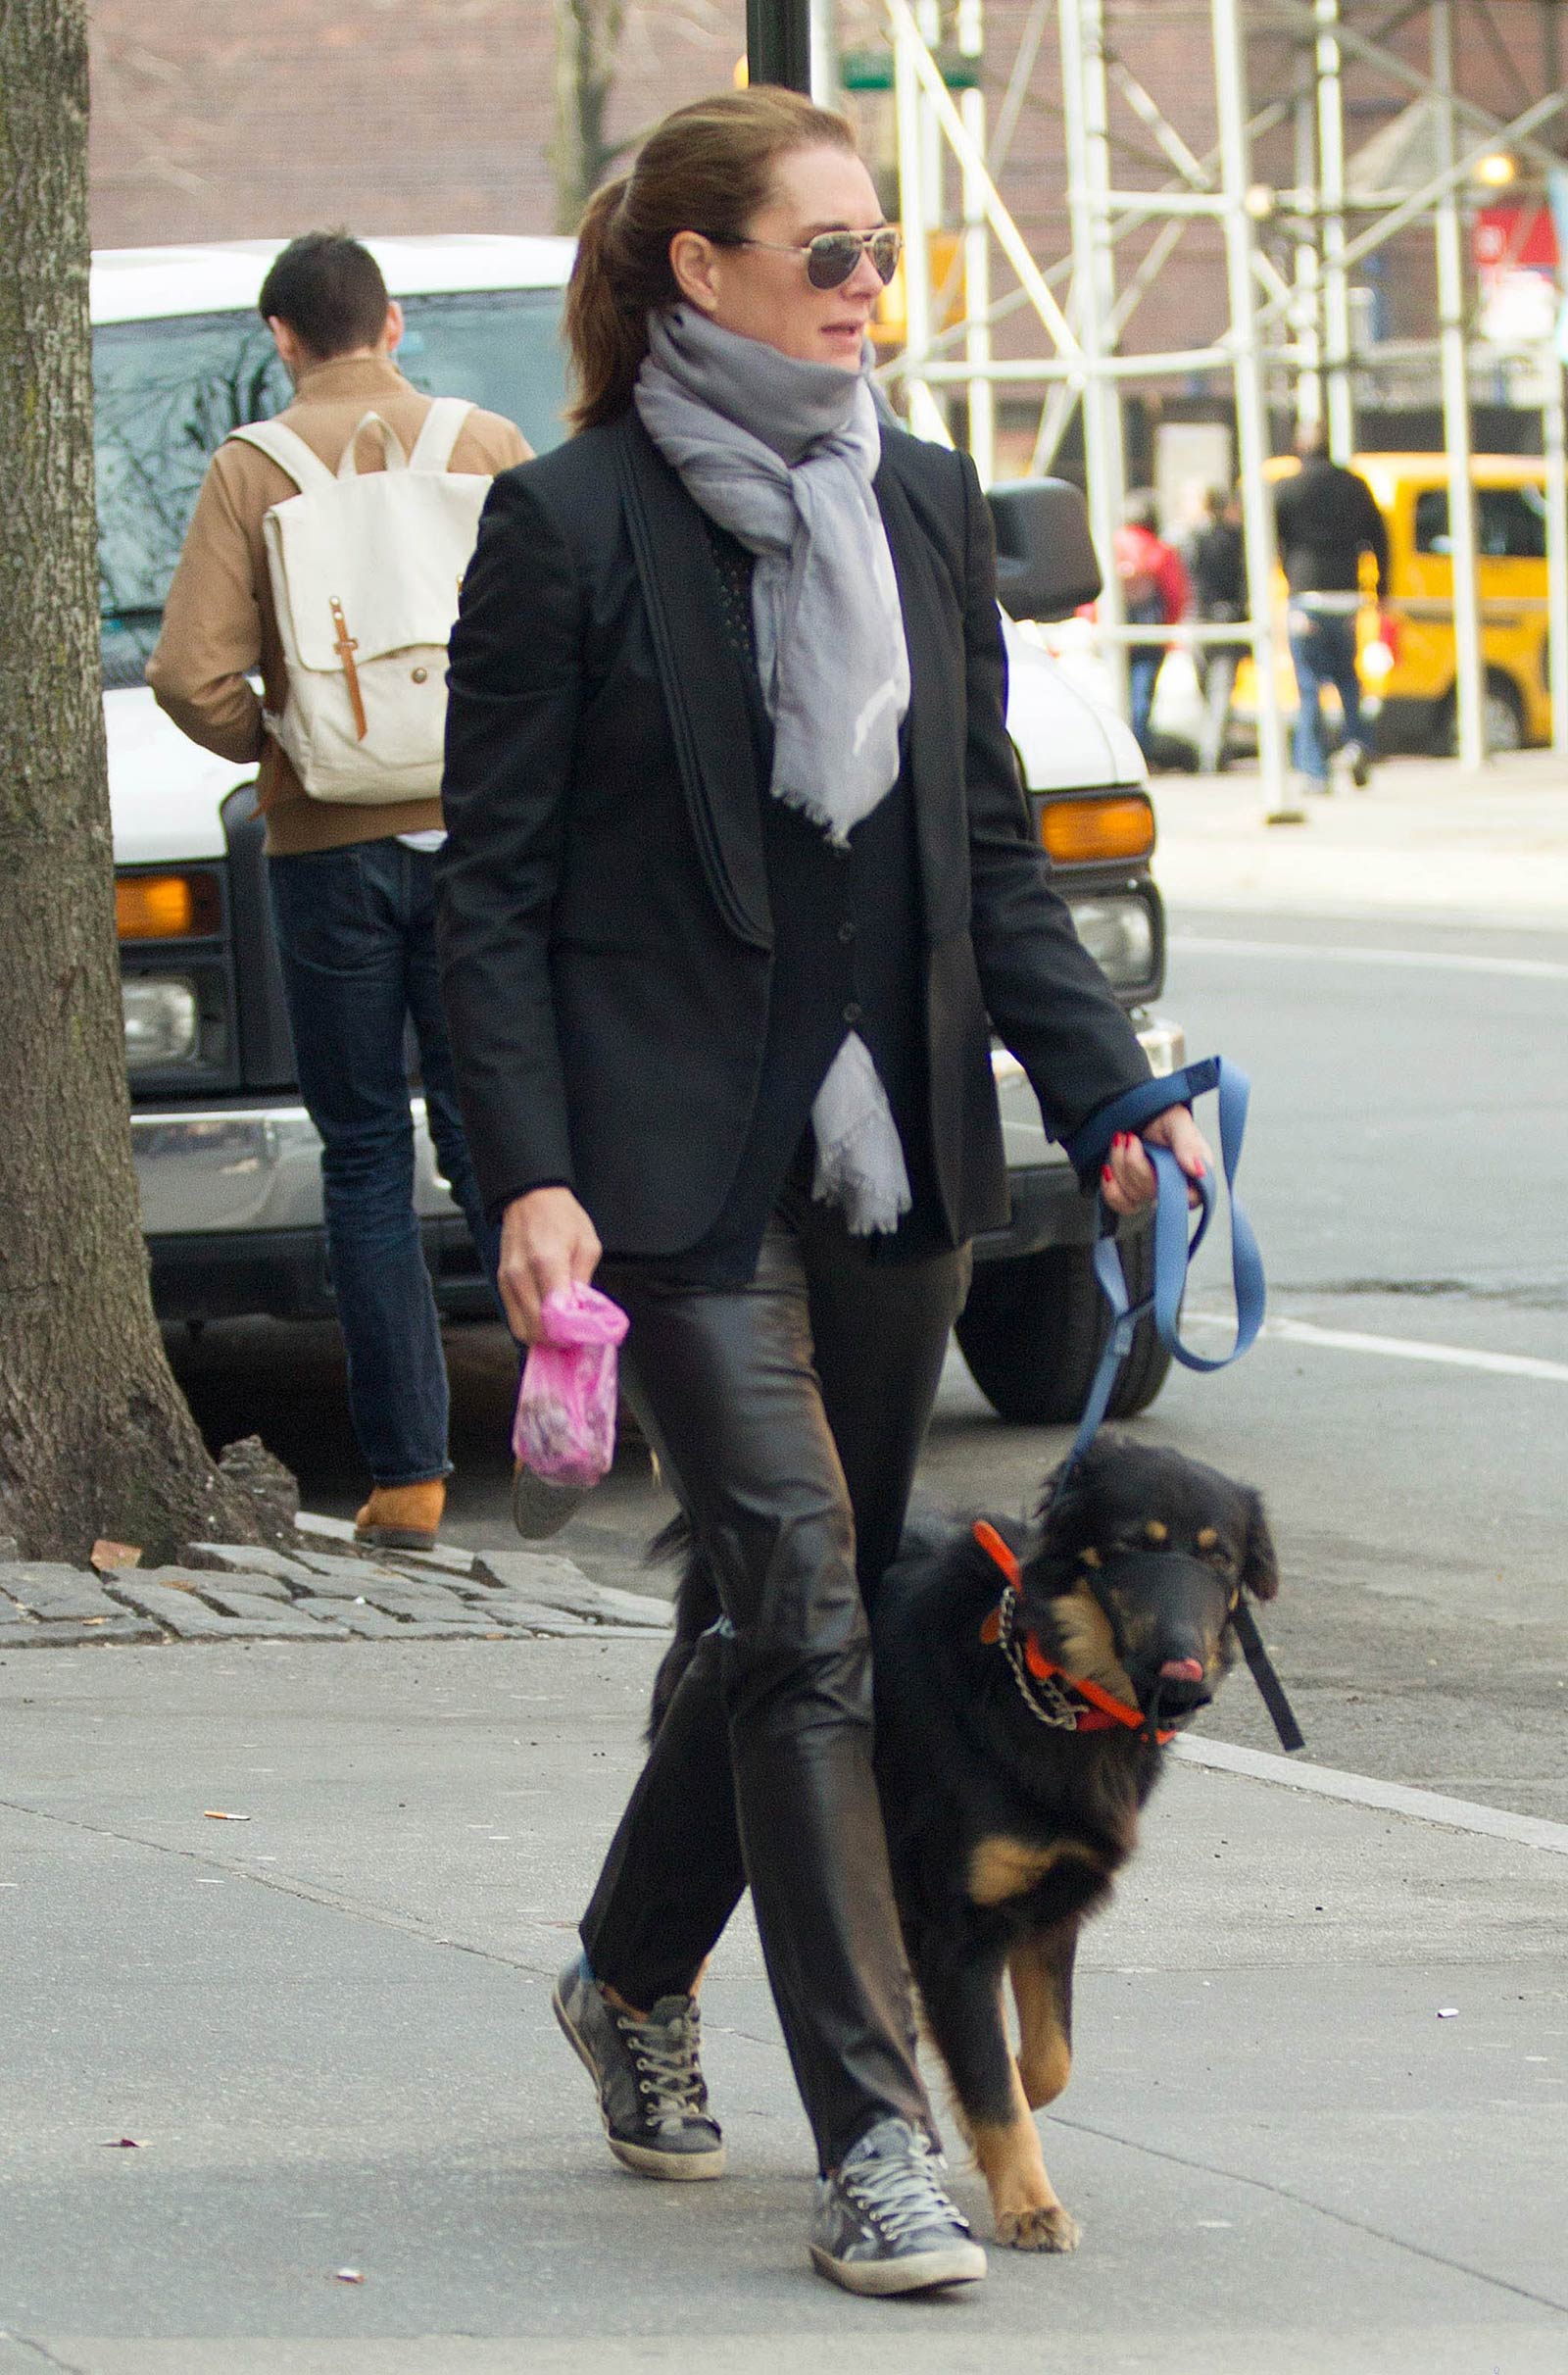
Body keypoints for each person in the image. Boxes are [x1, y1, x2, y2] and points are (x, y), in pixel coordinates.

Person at [436, 89, 1211, 2297]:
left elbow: (982, 846)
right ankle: (876, 2140)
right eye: (832, 253)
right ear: (702, 268)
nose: (869, 292)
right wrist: (530, 1174)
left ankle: (623, 1969)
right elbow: (485, 895)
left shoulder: (929, 504)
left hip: (891, 1168)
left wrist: (1113, 1089)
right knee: (799, 1610)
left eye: (884, 253)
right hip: (663, 1174)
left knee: (785, 1617)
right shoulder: (570, 526)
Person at [149, 232, 528, 1552]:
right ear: (395, 324)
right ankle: (568, 1408)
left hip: (327, 848)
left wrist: (290, 743)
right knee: (500, 1134)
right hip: (480, 836)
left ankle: (408, 1474)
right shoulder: (487, 445)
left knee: (365, 1151)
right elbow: (567, 628)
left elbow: (189, 676)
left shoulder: (252, 469)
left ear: (282, 336)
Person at [1274, 421, 1390, 795]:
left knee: (1309, 686)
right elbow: (1379, 536)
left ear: (1299, 447)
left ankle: (1315, 771)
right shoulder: (1356, 486)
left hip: (1306, 596)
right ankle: (1357, 743)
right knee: (1348, 680)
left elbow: (1275, 539)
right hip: (1348, 595)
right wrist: (1382, 586)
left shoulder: (1287, 489)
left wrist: (1285, 573)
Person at [1114, 489, 1189, 760]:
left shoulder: (1112, 545)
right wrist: (1170, 626)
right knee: (1142, 692)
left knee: (1117, 689)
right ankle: (1138, 750)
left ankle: (1121, 747)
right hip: (1149, 629)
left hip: (1115, 627)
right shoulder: (1159, 550)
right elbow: (1175, 593)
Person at [1188, 483, 1249, 774]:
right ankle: (1213, 751)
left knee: (1206, 687)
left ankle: (1211, 749)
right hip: (1227, 617)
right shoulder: (1237, 539)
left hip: (1197, 618)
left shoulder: (1190, 538)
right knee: (1221, 688)